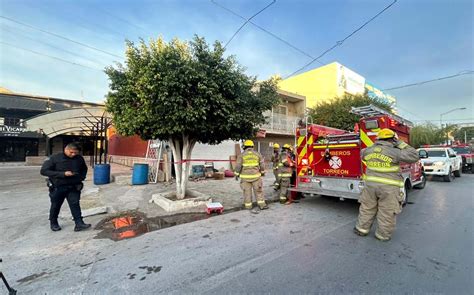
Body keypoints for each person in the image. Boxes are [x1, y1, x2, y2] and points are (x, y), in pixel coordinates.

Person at [354, 129, 419, 241]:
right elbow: (414, 156)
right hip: (389, 188)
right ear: (392, 139)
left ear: (378, 138)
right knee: (386, 212)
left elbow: (362, 154)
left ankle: (361, 229)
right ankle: (382, 235)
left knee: (367, 208)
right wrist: (399, 143)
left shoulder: (368, 151)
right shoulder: (395, 152)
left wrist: (376, 146)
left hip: (370, 186)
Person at [40, 142, 91, 232]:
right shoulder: (54, 158)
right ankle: (54, 223)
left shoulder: (79, 158)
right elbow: (44, 171)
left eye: (76, 153)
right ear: (66, 149)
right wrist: (63, 174)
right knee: (56, 205)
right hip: (58, 186)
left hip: (74, 186)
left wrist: (81, 178)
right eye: (71, 152)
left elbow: (84, 169)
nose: (73, 154)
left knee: (75, 204)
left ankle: (79, 223)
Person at [235, 140, 268, 210]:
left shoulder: (241, 155)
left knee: (247, 192)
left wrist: (236, 174)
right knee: (259, 191)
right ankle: (261, 204)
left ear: (244, 147)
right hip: (256, 177)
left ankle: (248, 206)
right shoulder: (258, 154)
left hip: (245, 178)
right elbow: (262, 165)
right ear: (252, 146)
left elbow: (238, 166)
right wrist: (262, 172)